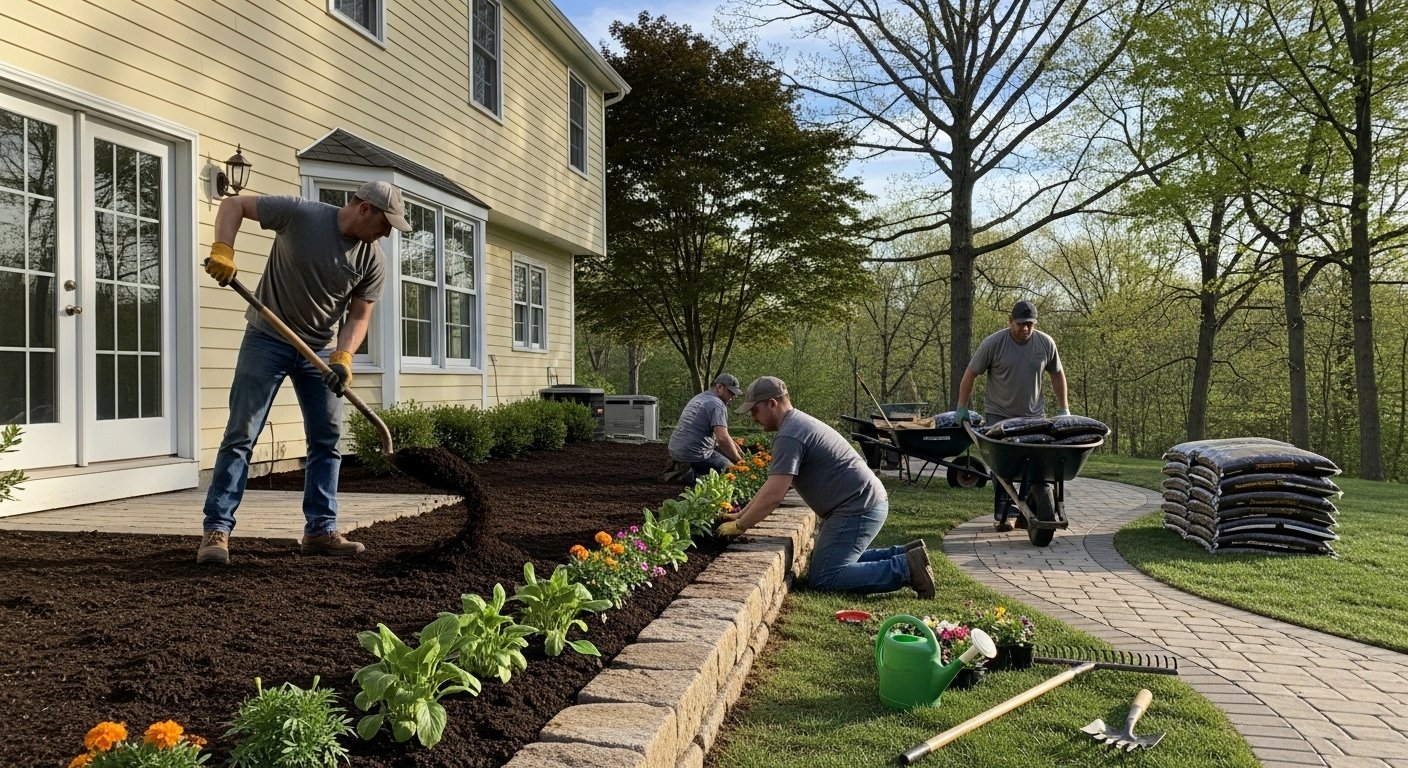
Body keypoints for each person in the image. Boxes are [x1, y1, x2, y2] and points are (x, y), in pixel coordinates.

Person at [196, 180, 412, 565]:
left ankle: (320, 530)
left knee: (327, 440)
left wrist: (343, 357)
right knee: (242, 432)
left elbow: (359, 316)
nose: (387, 233)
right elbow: (233, 205)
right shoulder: (300, 214)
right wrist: (223, 248)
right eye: (385, 223)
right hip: (267, 337)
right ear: (364, 208)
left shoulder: (373, 260)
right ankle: (217, 529)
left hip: (320, 352)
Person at [717, 376, 935, 598]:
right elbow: (772, 484)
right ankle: (908, 554)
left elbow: (774, 494)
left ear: (772, 403)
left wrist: (742, 525)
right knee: (832, 562)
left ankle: (906, 568)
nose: (754, 418)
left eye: (755, 410)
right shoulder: (796, 424)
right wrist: (740, 515)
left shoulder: (790, 435)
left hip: (857, 507)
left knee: (825, 576)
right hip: (861, 502)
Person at [955, 300, 1070, 531]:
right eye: (1020, 324)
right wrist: (961, 406)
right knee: (1003, 465)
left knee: (1034, 464)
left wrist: (1063, 408)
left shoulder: (1045, 343)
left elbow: (1057, 374)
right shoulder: (993, 344)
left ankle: (1026, 512)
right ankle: (1005, 513)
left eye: (1030, 324)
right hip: (1000, 415)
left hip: (1034, 416)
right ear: (1010, 322)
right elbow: (971, 373)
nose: (1025, 328)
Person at [666, 373, 747, 481]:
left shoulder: (699, 398)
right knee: (732, 472)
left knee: (725, 455)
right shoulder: (717, 404)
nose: (732, 398)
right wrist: (739, 460)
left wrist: (736, 448)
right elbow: (722, 439)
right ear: (719, 387)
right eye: (731, 393)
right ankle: (689, 475)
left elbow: (721, 436)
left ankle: (681, 468)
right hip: (695, 455)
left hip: (676, 451)